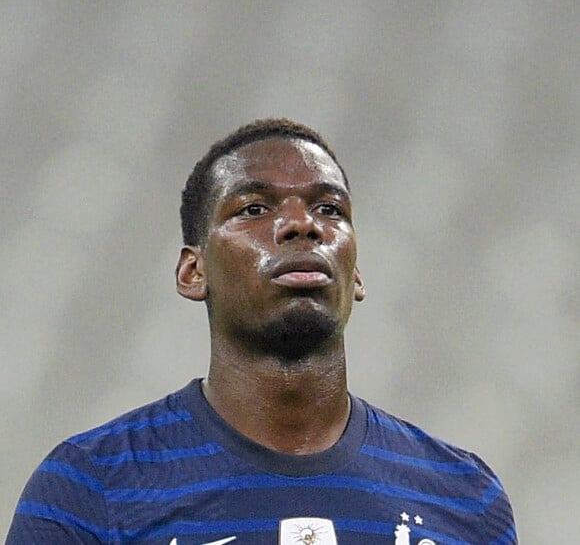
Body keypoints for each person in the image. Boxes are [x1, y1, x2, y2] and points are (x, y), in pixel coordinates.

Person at [7, 118, 517, 544]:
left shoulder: (465, 496)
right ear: (193, 271)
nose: (303, 225)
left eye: (329, 209)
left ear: (356, 273)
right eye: (254, 208)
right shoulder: (89, 487)